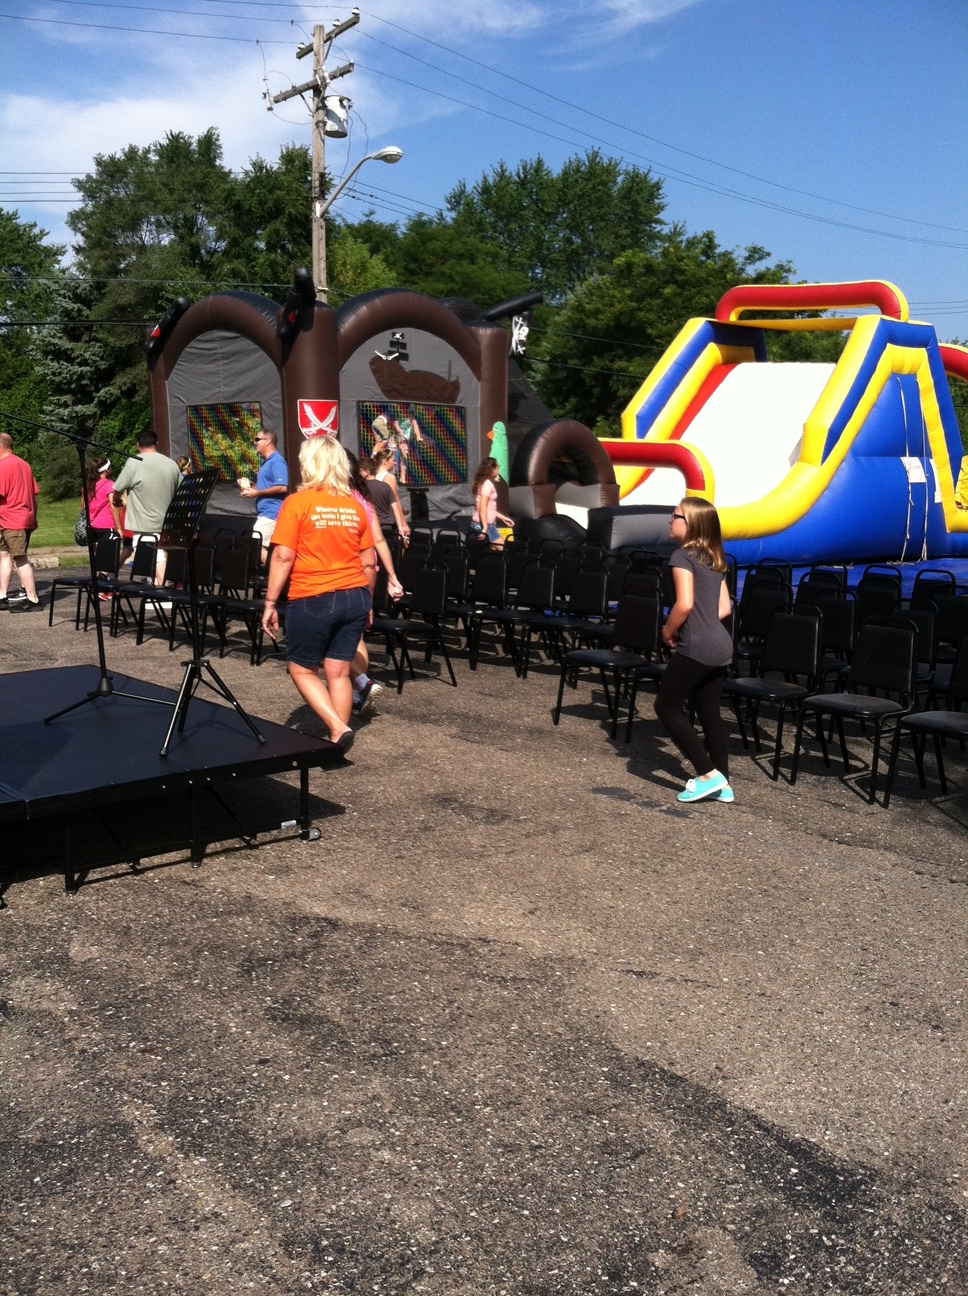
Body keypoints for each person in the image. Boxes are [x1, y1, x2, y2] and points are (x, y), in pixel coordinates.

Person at [262, 436, 376, 751]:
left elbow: (283, 557)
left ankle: (337, 728)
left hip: (314, 595)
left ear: (309, 464)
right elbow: (369, 563)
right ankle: (337, 742)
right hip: (355, 594)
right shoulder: (354, 506)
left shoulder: (297, 503)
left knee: (300, 668)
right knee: (338, 672)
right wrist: (367, 603)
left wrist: (270, 602)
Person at [653, 497, 734, 804]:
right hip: (719, 643)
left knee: (666, 707)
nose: (669, 520)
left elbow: (684, 604)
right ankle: (723, 784)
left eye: (675, 516)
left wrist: (667, 631)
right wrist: (705, 625)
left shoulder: (682, 556)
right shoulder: (714, 557)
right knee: (709, 712)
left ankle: (707, 775)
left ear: (691, 524)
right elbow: (724, 608)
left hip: (697, 646)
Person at [347, 452, 405, 716]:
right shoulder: (363, 499)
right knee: (356, 634)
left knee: (329, 641)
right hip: (367, 572)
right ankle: (358, 691)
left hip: (345, 572)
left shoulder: (338, 499)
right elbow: (379, 540)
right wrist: (392, 576)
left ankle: (361, 683)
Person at [110, 430, 181, 581]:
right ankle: (158, 586)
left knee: (157, 558)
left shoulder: (134, 462)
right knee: (162, 555)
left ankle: (162, 590)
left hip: (144, 523)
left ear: (138, 445)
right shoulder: (171, 464)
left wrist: (116, 499)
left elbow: (118, 488)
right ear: (157, 443)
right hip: (168, 522)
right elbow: (182, 490)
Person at [0, 431, 41, 612]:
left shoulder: (3, 465)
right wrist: (34, 516)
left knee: (20, 558)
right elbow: (35, 494)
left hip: (12, 519)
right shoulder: (24, 464)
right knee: (3, 555)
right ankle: (2, 596)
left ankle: (33, 599)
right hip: (21, 518)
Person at [239, 428, 288, 564]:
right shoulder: (265, 462)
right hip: (265, 513)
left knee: (256, 545)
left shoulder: (277, 461)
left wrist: (256, 493)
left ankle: (278, 571)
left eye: (257, 439)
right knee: (260, 547)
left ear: (268, 441)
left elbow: (282, 487)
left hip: (272, 513)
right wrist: (250, 486)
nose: (255, 442)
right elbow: (265, 488)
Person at [470, 457, 514, 550]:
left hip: (480, 523)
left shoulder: (481, 483)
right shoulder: (487, 484)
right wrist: (485, 528)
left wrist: (503, 518)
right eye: (497, 468)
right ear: (492, 470)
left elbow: (488, 508)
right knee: (504, 550)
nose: (498, 470)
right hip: (486, 525)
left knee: (490, 551)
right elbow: (482, 507)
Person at [372, 449, 410, 543]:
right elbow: (395, 501)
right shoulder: (389, 477)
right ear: (385, 461)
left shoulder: (373, 477)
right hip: (388, 521)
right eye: (393, 460)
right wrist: (403, 524)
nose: (395, 463)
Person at [85, 458, 116, 543]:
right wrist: (119, 527)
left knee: (96, 551)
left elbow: (84, 505)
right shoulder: (109, 485)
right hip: (106, 524)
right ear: (106, 470)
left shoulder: (89, 486)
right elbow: (113, 507)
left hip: (92, 525)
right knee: (109, 550)